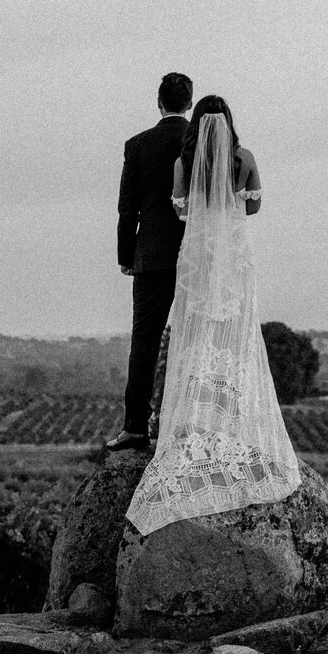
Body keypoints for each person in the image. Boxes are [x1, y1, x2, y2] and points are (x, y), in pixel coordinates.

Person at [125, 95, 299, 533]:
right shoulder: (244, 158)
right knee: (233, 333)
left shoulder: (185, 163)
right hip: (234, 254)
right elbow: (254, 205)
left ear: (197, 124)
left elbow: (180, 208)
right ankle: (232, 421)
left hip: (198, 255)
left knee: (195, 333)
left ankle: (192, 423)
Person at [108, 72, 193, 452]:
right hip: (197, 253)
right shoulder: (204, 142)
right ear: (189, 103)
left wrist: (127, 256)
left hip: (153, 256)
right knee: (198, 339)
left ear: (158, 102)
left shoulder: (137, 145)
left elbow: (128, 209)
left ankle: (136, 428)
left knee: (144, 342)